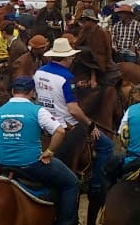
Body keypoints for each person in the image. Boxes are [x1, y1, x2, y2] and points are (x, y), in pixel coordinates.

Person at [0, 76, 83, 225]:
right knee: (72, 183)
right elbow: (60, 131)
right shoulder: (37, 110)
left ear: (13, 91)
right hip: (31, 164)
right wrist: (49, 151)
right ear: (31, 92)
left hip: (4, 164)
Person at [35, 37, 112, 196]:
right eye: (71, 56)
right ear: (66, 58)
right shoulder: (67, 77)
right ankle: (96, 186)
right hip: (66, 125)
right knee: (107, 146)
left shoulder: (39, 72)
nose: (72, 59)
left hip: (43, 123)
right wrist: (90, 124)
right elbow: (73, 110)